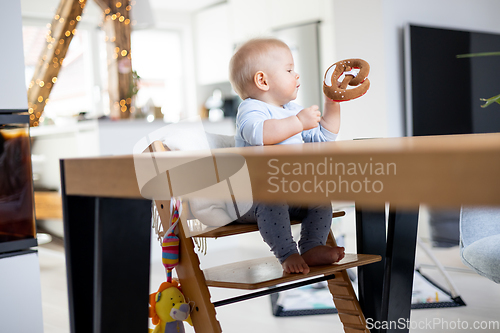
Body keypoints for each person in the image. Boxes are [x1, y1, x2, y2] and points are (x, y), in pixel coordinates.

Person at [228, 37, 345, 274]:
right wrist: (299, 122)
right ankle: (287, 253)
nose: (297, 75)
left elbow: (323, 138)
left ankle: (312, 246)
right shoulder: (252, 108)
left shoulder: (291, 111)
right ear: (262, 80)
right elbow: (259, 134)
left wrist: (332, 103)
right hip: (251, 200)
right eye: (289, 69)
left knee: (320, 199)